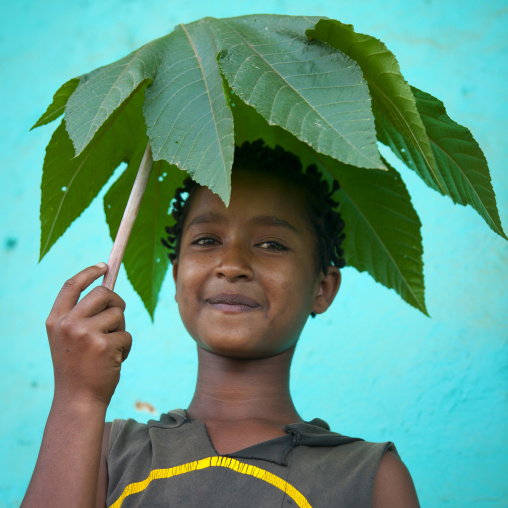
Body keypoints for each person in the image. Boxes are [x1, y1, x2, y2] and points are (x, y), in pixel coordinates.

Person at [22, 142, 420, 507]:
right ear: (177, 277)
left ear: (323, 287)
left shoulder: (370, 479)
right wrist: (78, 397)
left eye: (271, 244)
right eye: (207, 240)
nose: (231, 265)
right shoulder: (105, 451)